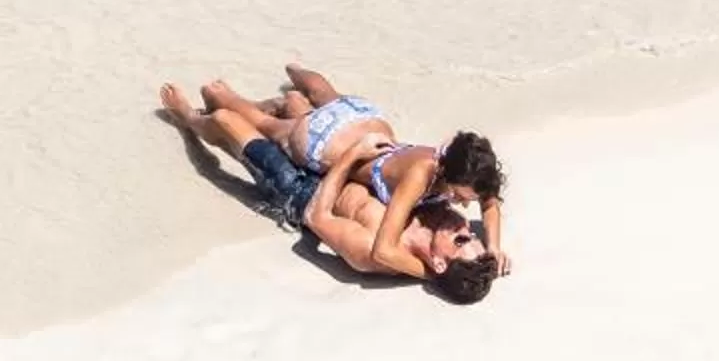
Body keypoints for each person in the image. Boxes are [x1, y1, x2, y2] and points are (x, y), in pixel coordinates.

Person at [156, 80, 499, 305]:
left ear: (438, 263)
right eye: (470, 233)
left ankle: (188, 118)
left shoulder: (371, 254)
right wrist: (495, 247)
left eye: (461, 241)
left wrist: (352, 156)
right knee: (293, 104)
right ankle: (276, 108)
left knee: (226, 121)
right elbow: (486, 193)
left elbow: (316, 217)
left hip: (301, 190)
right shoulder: (439, 216)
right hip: (333, 169)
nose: (462, 227)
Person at [258, 64, 512, 274]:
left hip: (365, 121)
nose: (463, 204)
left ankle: (293, 69)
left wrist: (494, 247)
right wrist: (438, 274)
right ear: (448, 175)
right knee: (266, 126)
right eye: (458, 195)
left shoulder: (467, 165)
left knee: (320, 91)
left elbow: (489, 203)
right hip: (327, 143)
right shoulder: (421, 177)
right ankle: (225, 97)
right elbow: (384, 250)